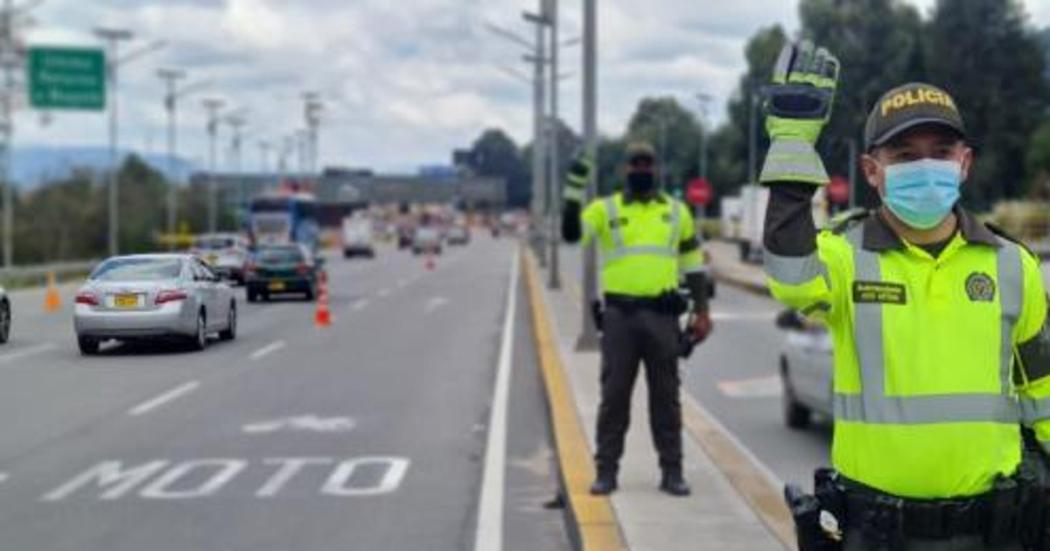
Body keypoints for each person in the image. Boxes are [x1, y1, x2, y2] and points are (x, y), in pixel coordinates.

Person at [762, 40, 1050, 550]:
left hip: (992, 533)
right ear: (873, 171)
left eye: (941, 153)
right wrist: (791, 144)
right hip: (877, 532)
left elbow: (1043, 395)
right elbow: (789, 275)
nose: (926, 166)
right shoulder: (845, 257)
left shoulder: (1013, 265)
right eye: (904, 155)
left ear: (965, 163)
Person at [561, 142, 713, 497]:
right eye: (635, 164)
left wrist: (702, 311)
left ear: (655, 168)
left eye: (647, 164)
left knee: (666, 399)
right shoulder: (605, 209)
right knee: (614, 398)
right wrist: (573, 188)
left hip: (662, 318)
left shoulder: (676, 212)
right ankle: (606, 472)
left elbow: (693, 266)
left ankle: (672, 472)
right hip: (619, 319)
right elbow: (570, 235)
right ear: (625, 170)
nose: (641, 169)